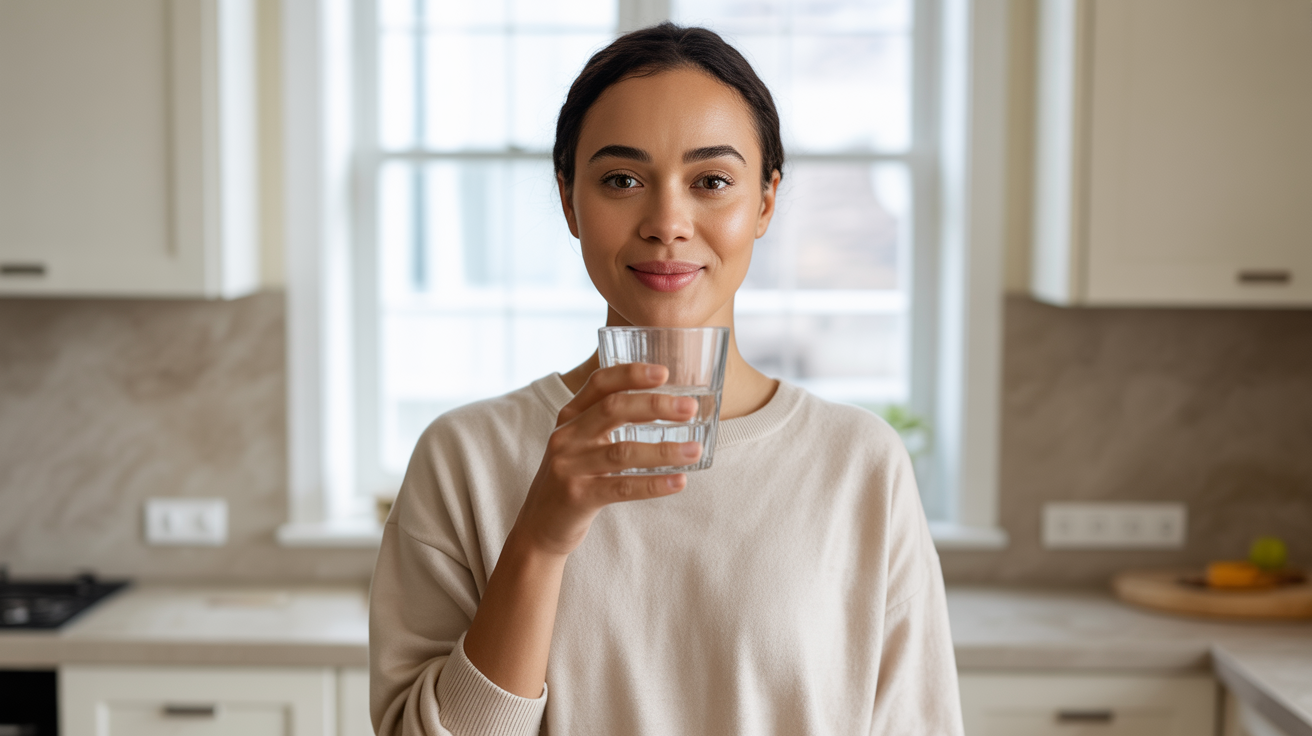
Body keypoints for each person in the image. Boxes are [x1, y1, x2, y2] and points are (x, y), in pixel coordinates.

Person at [369, 22, 963, 736]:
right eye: (622, 180)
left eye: (712, 181)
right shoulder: (464, 457)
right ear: (568, 200)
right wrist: (540, 537)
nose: (667, 222)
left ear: (766, 201)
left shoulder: (860, 466)